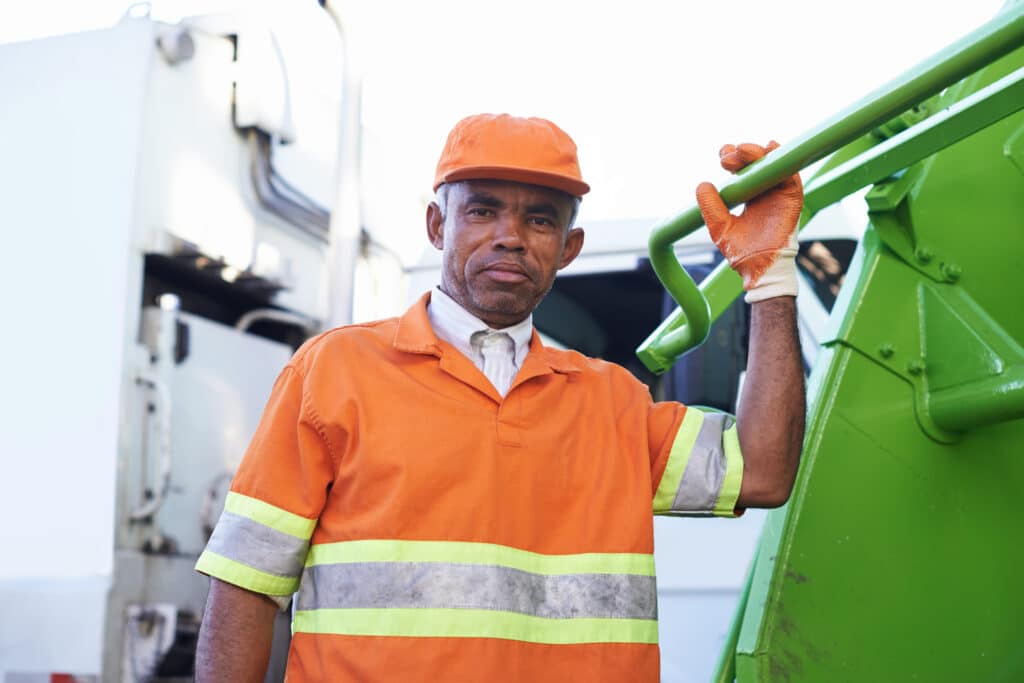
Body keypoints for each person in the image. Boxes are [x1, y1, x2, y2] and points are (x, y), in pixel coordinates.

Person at [193, 113, 805, 682]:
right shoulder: (332, 373)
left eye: (540, 219)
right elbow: (245, 586)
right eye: (482, 211)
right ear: (438, 226)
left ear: (569, 247)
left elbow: (764, 472)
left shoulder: (613, 403)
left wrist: (770, 277)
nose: (510, 237)